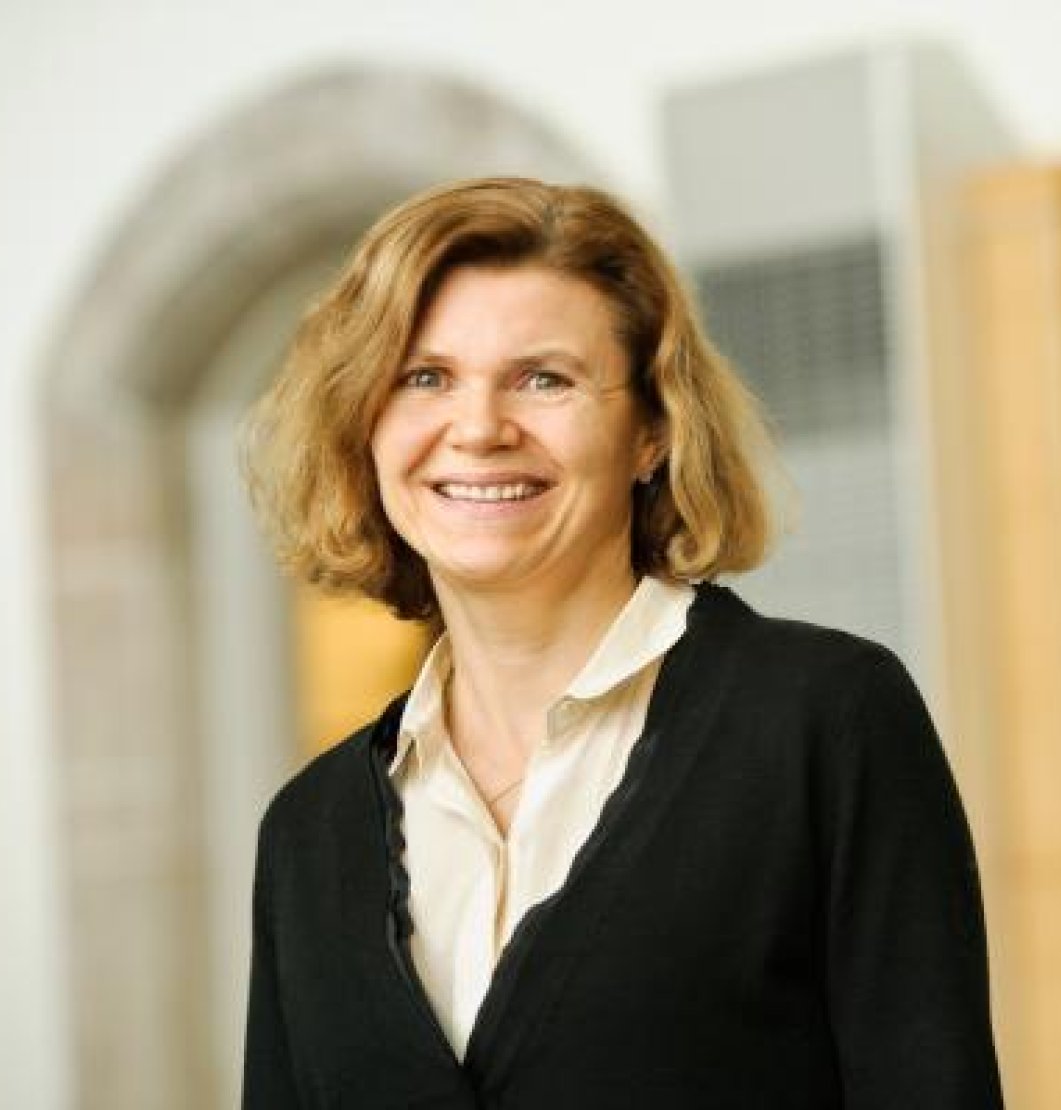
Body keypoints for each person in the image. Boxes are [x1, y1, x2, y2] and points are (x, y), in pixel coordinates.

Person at [240, 176, 1004, 1108]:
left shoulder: (823, 722)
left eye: (543, 378)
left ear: (651, 430)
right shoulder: (307, 839)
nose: (478, 428)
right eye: (424, 377)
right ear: (366, 423)